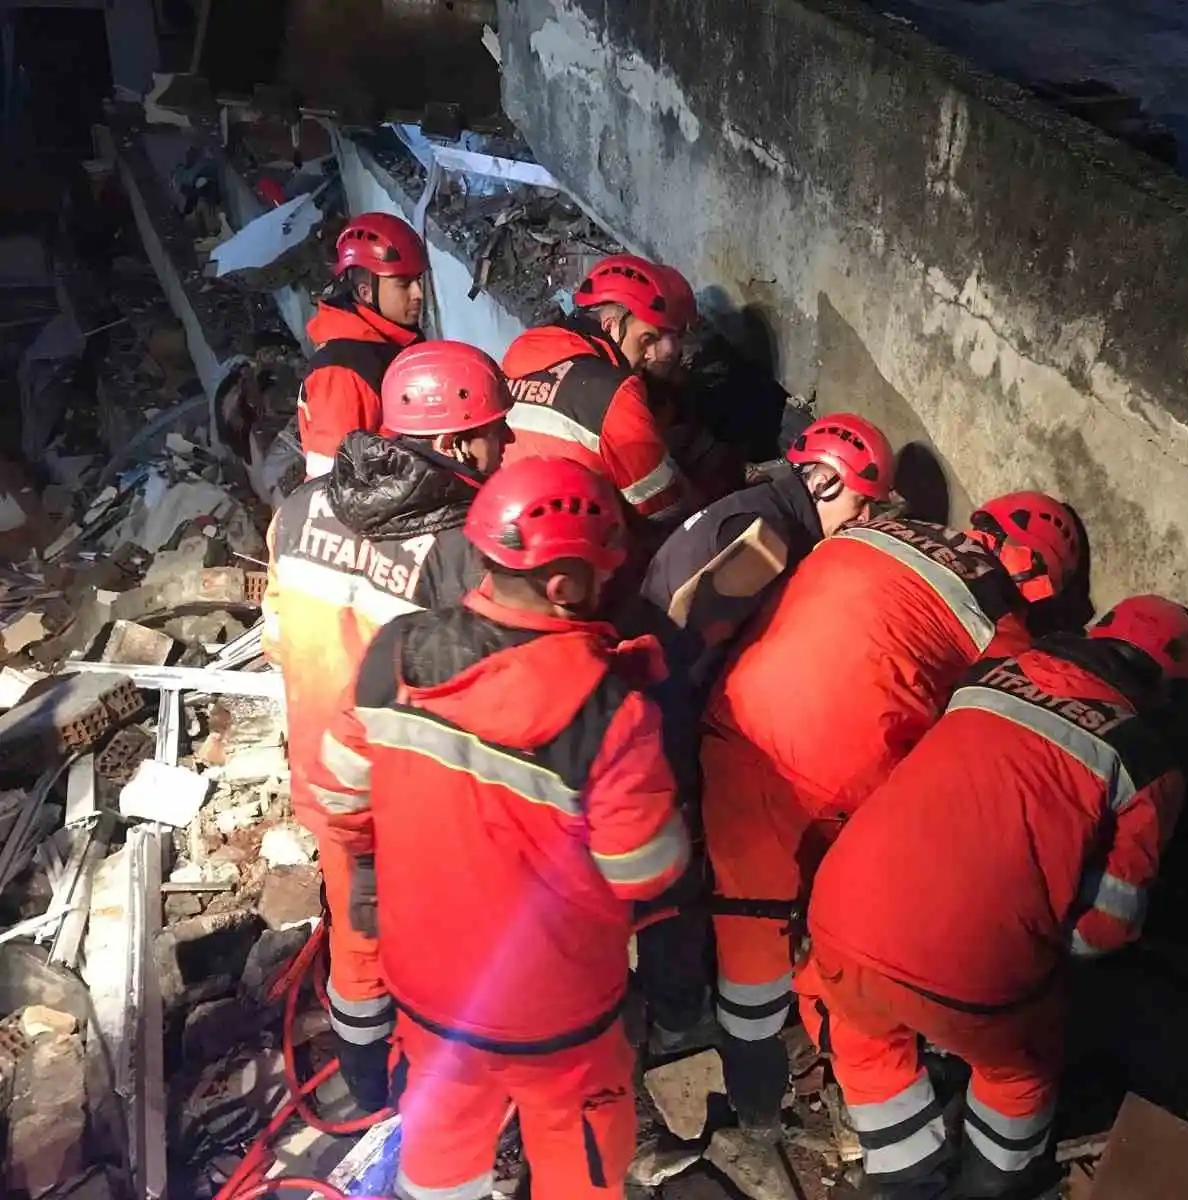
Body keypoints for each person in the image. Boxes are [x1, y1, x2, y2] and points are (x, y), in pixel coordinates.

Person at [308, 457, 691, 1200]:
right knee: (578, 1155)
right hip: (557, 1012)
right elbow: (642, 868)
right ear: (563, 585)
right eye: (602, 569)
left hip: (425, 985)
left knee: (442, 1148)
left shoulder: (396, 652)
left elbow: (341, 797)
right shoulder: (609, 711)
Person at [701, 491, 1083, 1137]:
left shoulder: (880, 531)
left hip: (732, 713)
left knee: (743, 911)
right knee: (814, 938)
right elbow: (972, 753)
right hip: (819, 776)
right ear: (1038, 581)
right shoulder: (1004, 633)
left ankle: (751, 1069)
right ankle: (775, 1076)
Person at [794, 596, 1188, 1200]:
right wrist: (1043, 939)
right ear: (1167, 686)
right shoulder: (1149, 765)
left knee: (867, 1034)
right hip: (970, 968)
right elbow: (1108, 926)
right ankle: (993, 1182)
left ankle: (902, 1179)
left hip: (842, 912)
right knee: (1020, 1065)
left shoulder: (993, 672)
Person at [262, 340, 511, 1109]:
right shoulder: (460, 551)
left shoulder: (302, 507)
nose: (506, 446)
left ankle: (371, 1090)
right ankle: (448, 1090)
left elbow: (275, 635)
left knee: (357, 944)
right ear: (454, 442)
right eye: (496, 432)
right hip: (409, 800)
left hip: (325, 775)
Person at [628, 412, 896, 1053]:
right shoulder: (767, 538)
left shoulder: (760, 507)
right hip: (658, 722)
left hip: (648, 702)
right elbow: (697, 650)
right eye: (860, 504)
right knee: (676, 874)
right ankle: (678, 1014)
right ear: (825, 484)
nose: (861, 522)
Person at [500, 255, 697, 525]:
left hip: (506, 524)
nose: (649, 356)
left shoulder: (521, 350)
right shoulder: (615, 394)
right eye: (646, 339)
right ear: (611, 326)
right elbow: (667, 508)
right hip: (580, 545)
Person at [298, 213, 429, 477]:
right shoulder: (344, 371)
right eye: (404, 283)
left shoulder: (389, 341)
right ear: (366, 292)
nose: (418, 293)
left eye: (418, 279)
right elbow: (333, 483)